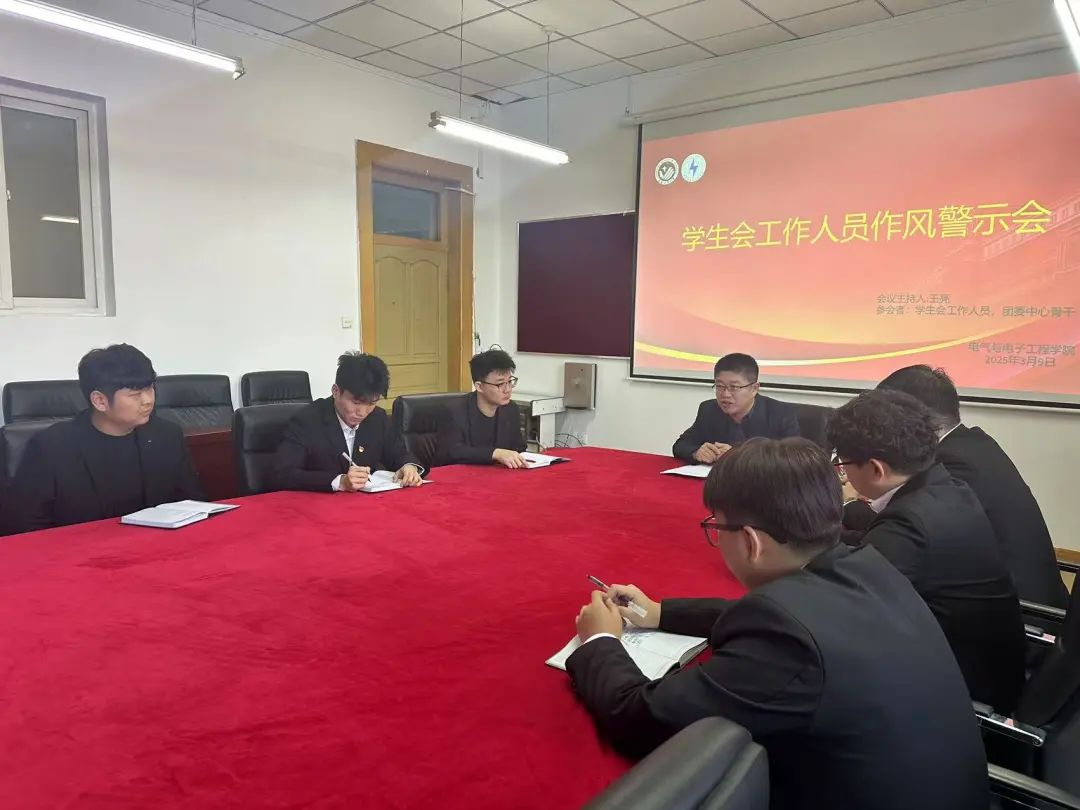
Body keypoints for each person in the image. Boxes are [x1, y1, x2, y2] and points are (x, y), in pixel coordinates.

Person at [565, 438, 988, 810]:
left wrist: (599, 639)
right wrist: (660, 613)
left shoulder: (786, 640)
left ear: (751, 541)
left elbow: (639, 718)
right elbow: (780, 618)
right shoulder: (864, 564)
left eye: (717, 527)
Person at [828, 389, 1026, 712]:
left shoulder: (907, 526)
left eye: (843, 464)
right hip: (992, 665)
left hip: (962, 693)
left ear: (876, 469)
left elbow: (846, 612)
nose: (842, 473)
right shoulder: (945, 484)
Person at [870, 364, 1067, 608]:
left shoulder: (951, 465)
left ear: (910, 420)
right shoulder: (975, 444)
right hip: (1031, 600)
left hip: (1022, 615)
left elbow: (909, 535)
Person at [9, 344, 204, 533]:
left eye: (150, 388)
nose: (148, 400)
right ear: (100, 401)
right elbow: (25, 525)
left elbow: (192, 504)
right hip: (81, 550)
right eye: (135, 394)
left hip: (156, 546)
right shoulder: (51, 447)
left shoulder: (167, 436)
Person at [273, 352, 423, 492]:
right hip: (319, 505)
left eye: (371, 403)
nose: (362, 413)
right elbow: (283, 474)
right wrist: (340, 482)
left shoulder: (378, 418)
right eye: (356, 402)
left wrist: (408, 466)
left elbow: (398, 453)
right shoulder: (307, 420)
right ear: (336, 391)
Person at [672, 353, 799, 464]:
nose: (725, 394)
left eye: (734, 387)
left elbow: (793, 460)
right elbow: (681, 445)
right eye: (720, 386)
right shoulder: (709, 410)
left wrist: (739, 456)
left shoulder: (781, 413)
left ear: (754, 388)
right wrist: (696, 452)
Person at [434, 349, 527, 468]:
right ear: (479, 386)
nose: (508, 389)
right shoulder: (454, 411)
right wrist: (494, 453)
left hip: (499, 474)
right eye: (500, 384)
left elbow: (519, 448)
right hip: (463, 475)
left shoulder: (510, 409)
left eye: (509, 382)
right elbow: (452, 452)